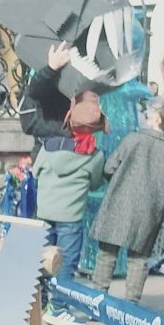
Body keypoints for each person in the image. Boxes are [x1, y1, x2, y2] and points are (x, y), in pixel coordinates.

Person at [89, 98, 164, 303]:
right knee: (139, 259)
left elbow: (110, 167)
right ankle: (132, 303)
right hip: (150, 210)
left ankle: (98, 297)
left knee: (107, 254)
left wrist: (117, 182)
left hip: (118, 202)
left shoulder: (133, 139)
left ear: (157, 118)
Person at [31, 87, 106, 292]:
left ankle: (41, 303)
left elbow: (36, 172)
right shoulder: (94, 155)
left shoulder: (48, 145)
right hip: (70, 218)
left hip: (44, 213)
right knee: (64, 263)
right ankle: (59, 307)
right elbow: (95, 183)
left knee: (40, 260)